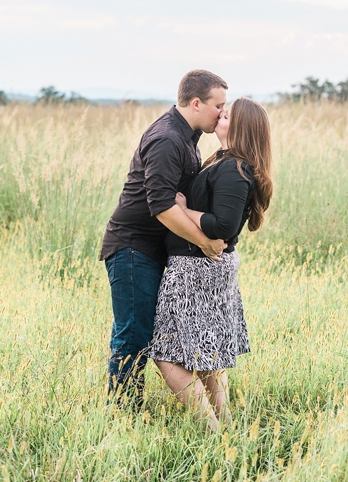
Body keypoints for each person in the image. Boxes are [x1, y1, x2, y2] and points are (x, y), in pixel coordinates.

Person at [99, 69, 228, 408]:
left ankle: (126, 407)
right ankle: (122, 414)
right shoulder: (168, 138)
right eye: (219, 106)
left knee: (143, 331)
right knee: (134, 334)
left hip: (154, 250)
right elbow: (162, 207)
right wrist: (204, 241)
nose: (223, 113)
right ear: (197, 103)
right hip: (132, 247)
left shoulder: (188, 137)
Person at [148, 97, 274, 430]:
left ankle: (211, 431)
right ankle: (226, 431)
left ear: (242, 126)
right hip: (200, 266)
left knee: (165, 352)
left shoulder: (235, 169)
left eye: (227, 113)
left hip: (198, 268)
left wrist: (182, 210)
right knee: (206, 355)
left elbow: (224, 227)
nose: (220, 114)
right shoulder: (221, 160)